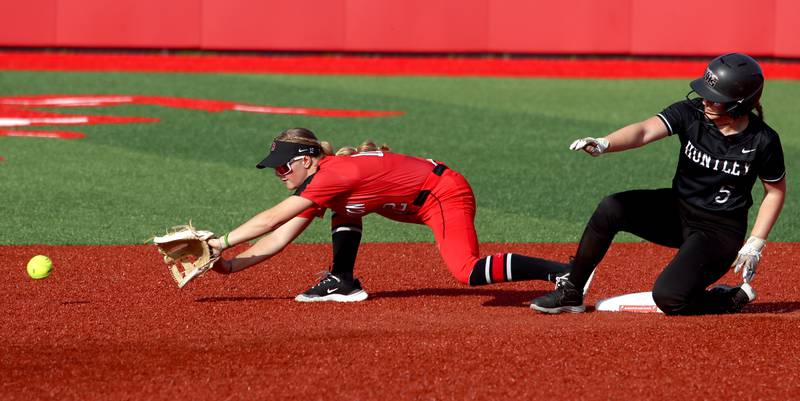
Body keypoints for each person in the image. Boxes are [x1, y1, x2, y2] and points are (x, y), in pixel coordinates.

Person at [531, 53, 786, 315]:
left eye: (716, 98)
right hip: (678, 210)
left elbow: (775, 192)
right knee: (612, 208)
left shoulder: (763, 140)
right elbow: (644, 131)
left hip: (718, 233)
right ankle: (571, 291)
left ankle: (729, 299)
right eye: (706, 93)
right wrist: (605, 143)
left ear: (738, 105)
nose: (706, 100)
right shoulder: (692, 113)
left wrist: (756, 242)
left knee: (668, 298)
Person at [207, 127, 566, 302]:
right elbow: (279, 236)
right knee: (343, 210)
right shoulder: (325, 182)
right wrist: (228, 265)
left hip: (443, 193)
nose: (279, 173)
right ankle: (343, 281)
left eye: (283, 167)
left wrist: (219, 242)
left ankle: (566, 272)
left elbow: (270, 220)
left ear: (305, 160)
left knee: (467, 271)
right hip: (420, 199)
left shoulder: (332, 175)